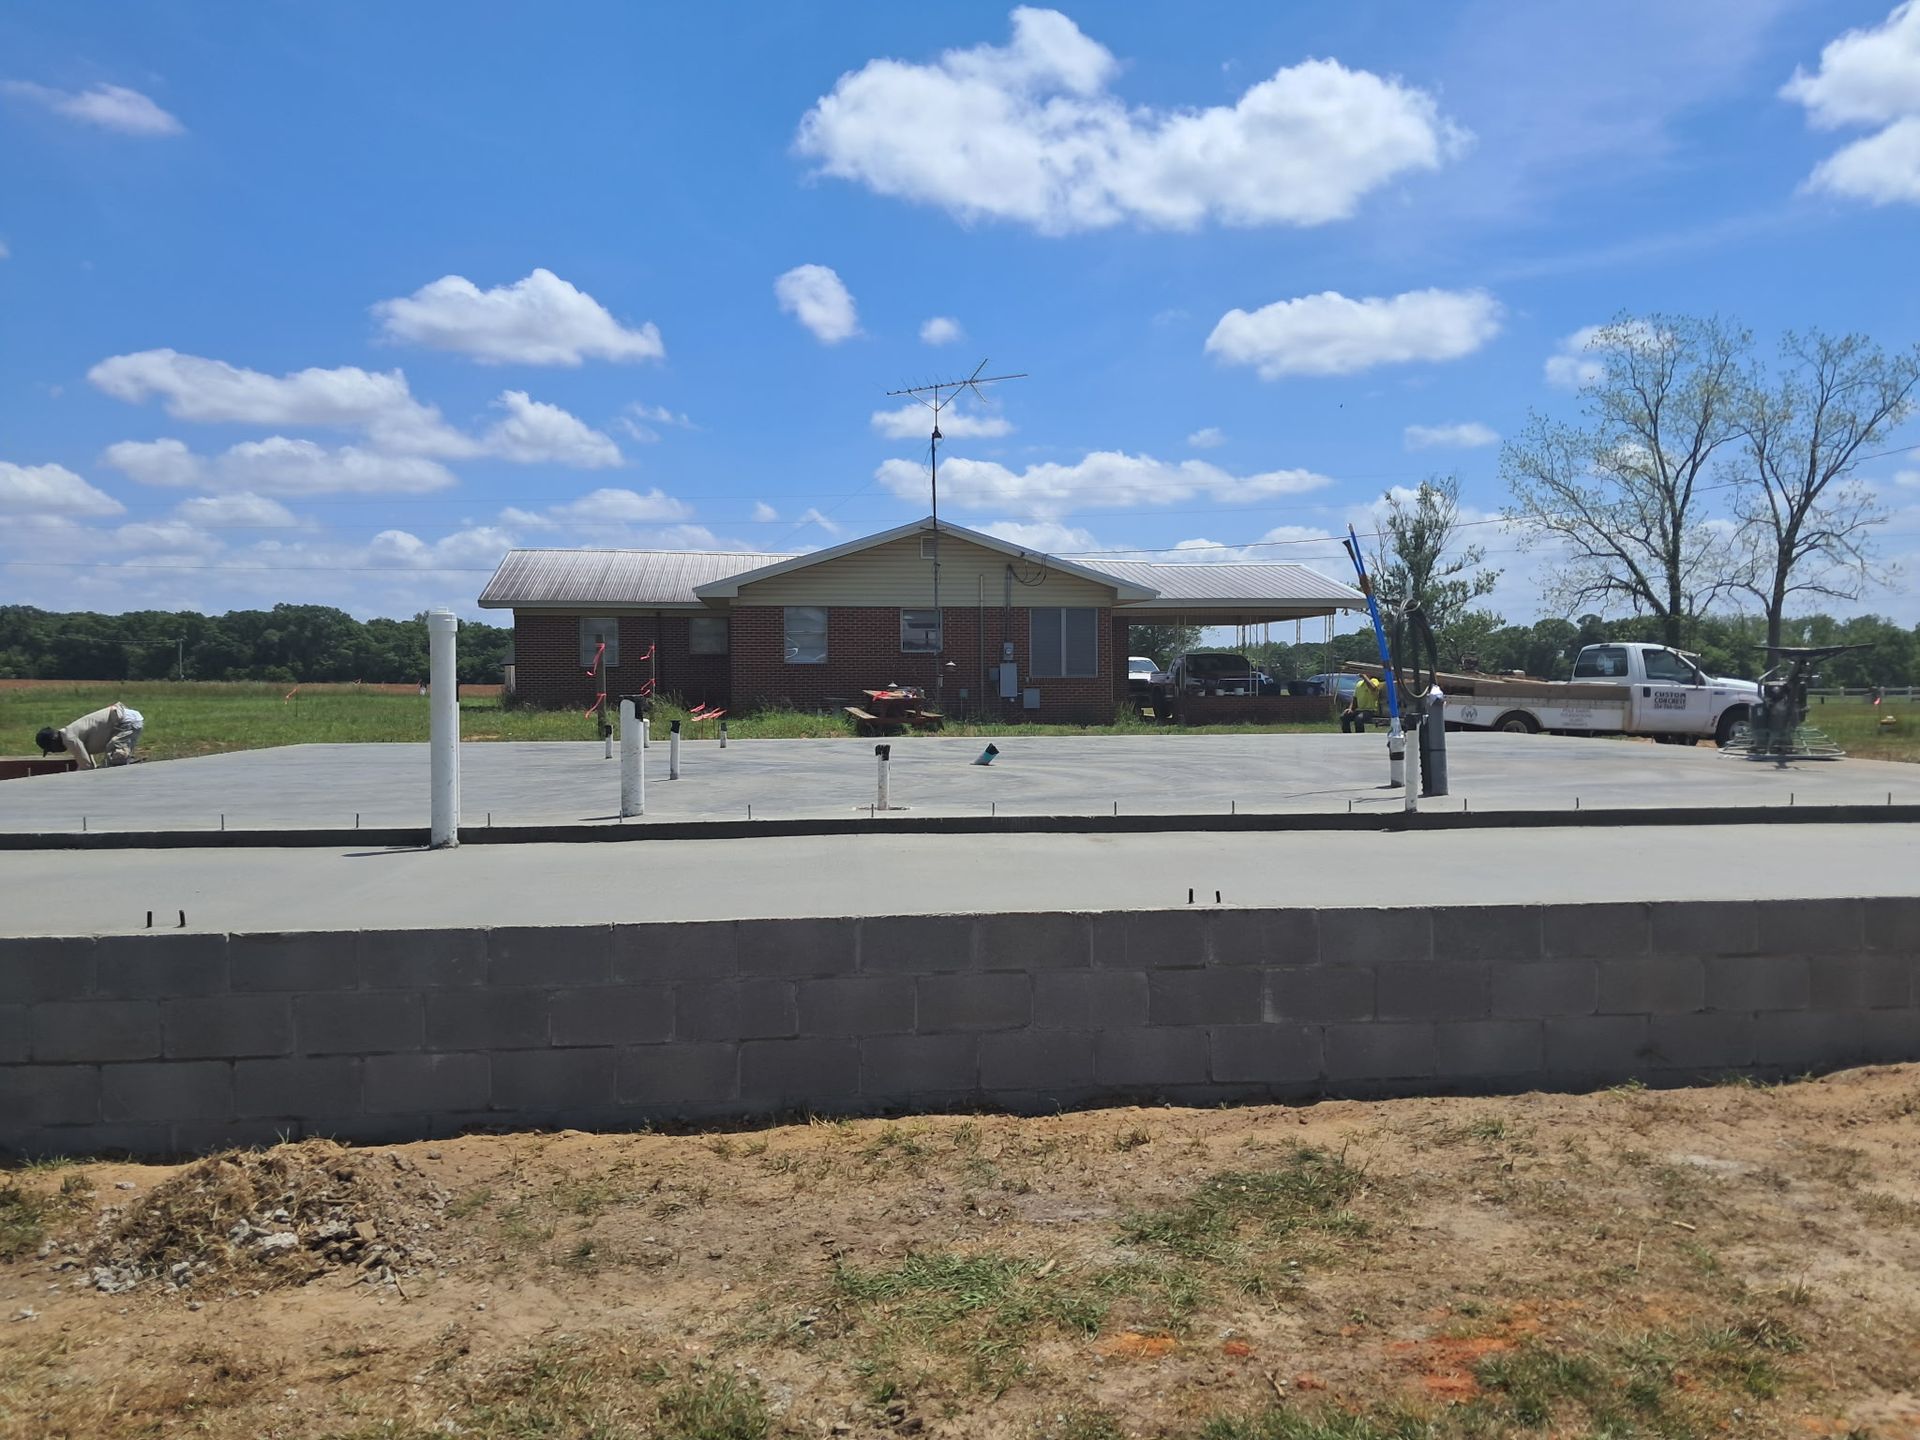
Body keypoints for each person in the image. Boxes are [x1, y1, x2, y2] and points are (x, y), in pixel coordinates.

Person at [35, 701, 145, 768]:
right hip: (124, 719)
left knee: (115, 759)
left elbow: (85, 766)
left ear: (54, 739)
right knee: (110, 763)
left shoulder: (69, 738)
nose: (55, 752)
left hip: (126, 721)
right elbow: (89, 763)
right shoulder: (71, 735)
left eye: (52, 749)